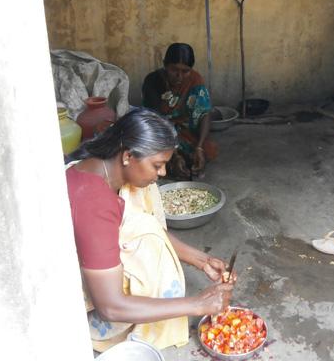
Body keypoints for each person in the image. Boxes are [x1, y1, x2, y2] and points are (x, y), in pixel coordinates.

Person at [65, 108, 235, 352]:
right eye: (158, 165)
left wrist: (202, 259)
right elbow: (111, 307)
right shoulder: (94, 204)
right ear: (128, 156)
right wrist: (198, 304)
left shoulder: (102, 168)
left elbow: (145, 224)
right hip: (91, 299)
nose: (163, 173)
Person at [141, 43, 217, 179]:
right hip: (161, 131)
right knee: (151, 156)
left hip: (185, 131)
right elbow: (154, 121)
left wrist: (199, 147)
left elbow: (204, 113)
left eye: (185, 71)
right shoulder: (152, 81)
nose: (179, 76)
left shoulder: (195, 79)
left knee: (205, 151)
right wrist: (173, 154)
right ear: (165, 65)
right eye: (174, 69)